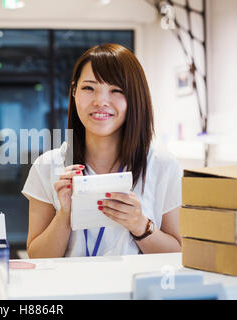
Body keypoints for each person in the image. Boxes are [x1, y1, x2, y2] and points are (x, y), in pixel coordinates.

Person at [22, 43, 183, 258]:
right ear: (74, 92)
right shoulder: (47, 166)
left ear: (135, 97)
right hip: (70, 290)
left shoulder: (163, 165)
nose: (100, 101)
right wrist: (65, 214)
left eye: (116, 90)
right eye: (89, 88)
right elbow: (37, 257)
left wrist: (140, 225)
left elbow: (178, 253)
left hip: (139, 290)